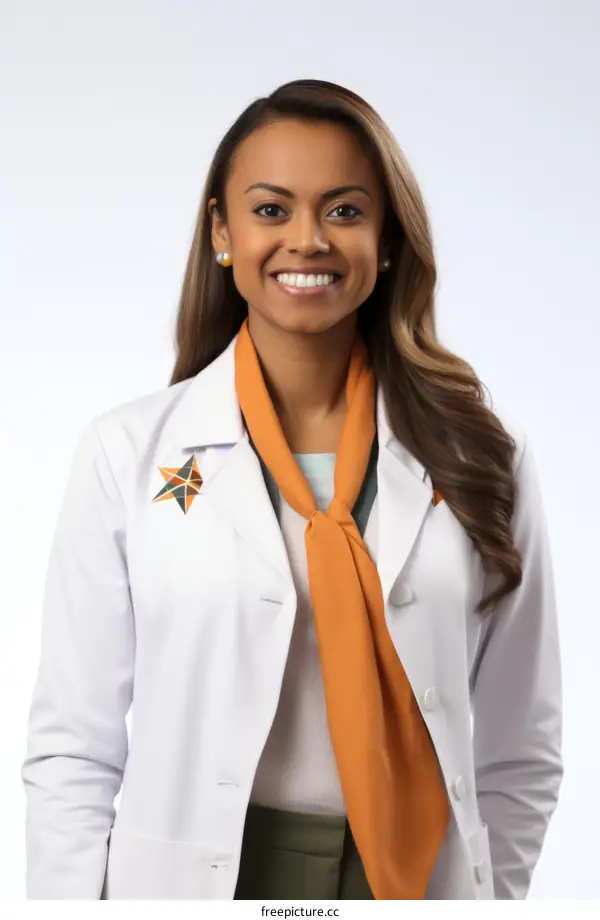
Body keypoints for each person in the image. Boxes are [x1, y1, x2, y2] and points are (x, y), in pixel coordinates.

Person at [21, 78, 563, 901]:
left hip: (417, 884)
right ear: (221, 232)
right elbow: (74, 746)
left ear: (386, 240)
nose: (307, 239)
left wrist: (488, 901)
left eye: (344, 211)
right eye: (271, 210)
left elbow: (523, 745)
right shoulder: (125, 454)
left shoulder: (484, 456)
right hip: (203, 882)